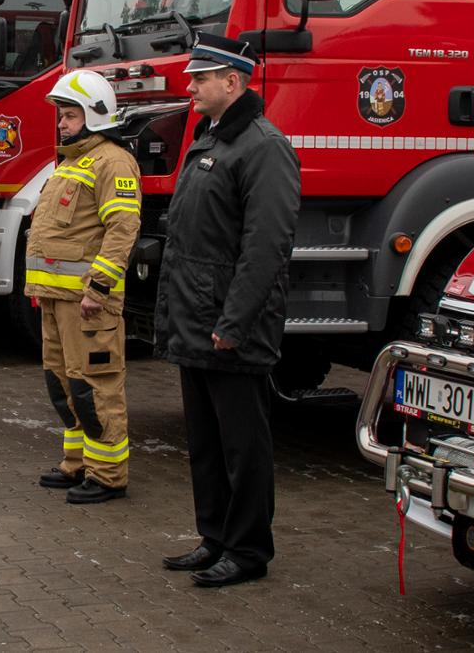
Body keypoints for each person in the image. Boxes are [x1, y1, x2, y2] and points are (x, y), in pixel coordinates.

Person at [154, 33, 299, 587]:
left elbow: (265, 248)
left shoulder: (263, 146)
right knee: (207, 444)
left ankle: (247, 548)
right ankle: (214, 536)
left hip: (229, 326)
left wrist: (234, 322)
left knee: (243, 446)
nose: (189, 86)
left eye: (200, 78)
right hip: (197, 319)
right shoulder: (211, 137)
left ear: (233, 81)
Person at [25, 71, 142, 503]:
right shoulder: (72, 162)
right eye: (62, 116)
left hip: (89, 304)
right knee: (64, 384)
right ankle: (77, 464)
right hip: (58, 301)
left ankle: (109, 475)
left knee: (96, 385)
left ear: (95, 115)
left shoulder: (113, 161)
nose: (62, 124)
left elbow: (122, 228)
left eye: (70, 116)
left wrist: (98, 289)